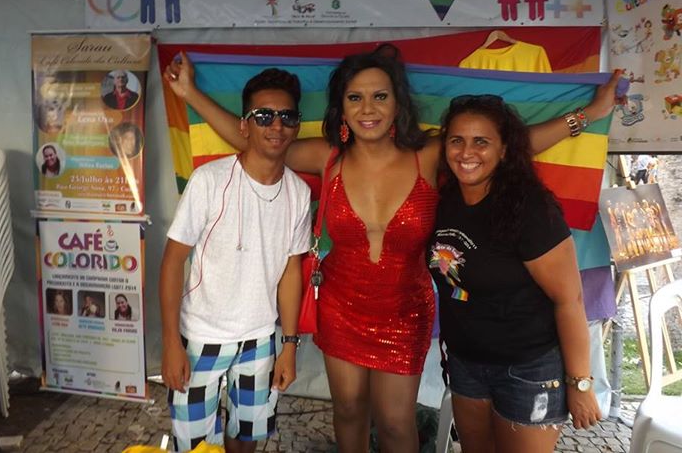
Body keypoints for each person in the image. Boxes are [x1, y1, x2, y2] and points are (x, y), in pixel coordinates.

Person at [163, 46, 618, 452]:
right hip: (341, 307)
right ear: (341, 108)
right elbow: (253, 138)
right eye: (355, 97)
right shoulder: (326, 156)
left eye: (380, 96)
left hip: (405, 313)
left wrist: (587, 115)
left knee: (398, 425)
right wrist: (191, 95)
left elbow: (508, 146)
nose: (368, 108)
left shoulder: (430, 155)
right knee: (348, 414)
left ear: (398, 103)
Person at [428, 95, 601, 453]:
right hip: (465, 363)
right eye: (457, 140)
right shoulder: (445, 200)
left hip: (528, 370)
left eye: (481, 141)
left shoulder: (529, 210)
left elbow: (569, 299)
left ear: (505, 150)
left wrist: (580, 383)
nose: (467, 152)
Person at [160, 68, 311, 452]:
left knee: (248, 436)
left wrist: (289, 345)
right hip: (201, 337)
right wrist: (170, 343)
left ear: (296, 126)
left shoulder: (298, 193)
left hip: (260, 338)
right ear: (244, 125)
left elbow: (291, 271)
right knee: (195, 445)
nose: (276, 125)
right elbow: (173, 261)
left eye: (287, 116)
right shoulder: (209, 180)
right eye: (264, 116)